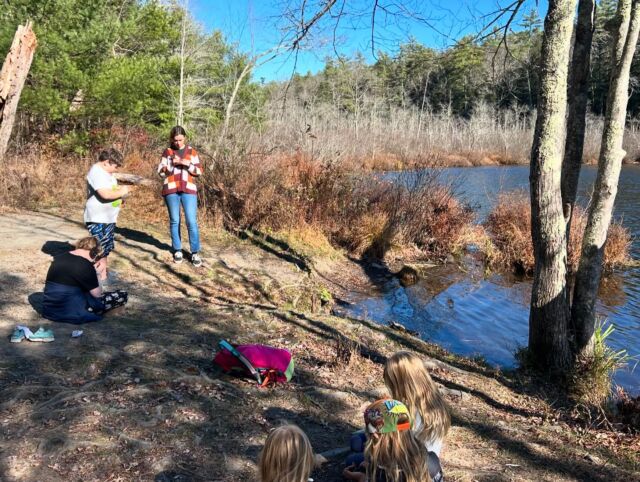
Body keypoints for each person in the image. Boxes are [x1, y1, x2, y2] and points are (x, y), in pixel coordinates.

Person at [343, 399, 444, 482]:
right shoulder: (431, 460)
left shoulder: (381, 476)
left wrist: (362, 478)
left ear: (375, 435)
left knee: (353, 450)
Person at [42, 236, 128, 324]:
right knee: (122, 295)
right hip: (71, 312)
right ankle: (101, 312)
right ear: (93, 252)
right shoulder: (85, 265)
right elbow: (97, 294)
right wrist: (97, 273)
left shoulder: (60, 257)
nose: (95, 259)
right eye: (97, 256)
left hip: (50, 311)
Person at [383, 352, 451, 455]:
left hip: (412, 466)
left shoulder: (413, 414)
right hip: (428, 462)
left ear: (403, 384)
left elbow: (399, 450)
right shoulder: (433, 404)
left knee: (356, 451)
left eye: (393, 385)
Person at [157, 125, 203, 267]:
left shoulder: (191, 151)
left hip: (188, 189)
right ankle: (177, 250)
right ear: (172, 139)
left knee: (191, 221)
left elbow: (199, 171)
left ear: (185, 138)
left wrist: (186, 163)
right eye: (175, 140)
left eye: (180, 140)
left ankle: (195, 252)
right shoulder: (167, 152)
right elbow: (161, 172)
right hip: (171, 189)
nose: (178, 143)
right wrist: (170, 165)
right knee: (175, 220)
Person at [84, 147, 132, 282]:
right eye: (115, 166)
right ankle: (92, 277)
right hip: (98, 218)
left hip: (108, 218)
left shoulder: (105, 173)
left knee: (105, 248)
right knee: (98, 248)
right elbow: (105, 194)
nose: (116, 170)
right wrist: (123, 191)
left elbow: (111, 191)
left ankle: (103, 273)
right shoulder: (97, 173)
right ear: (106, 162)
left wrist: (119, 199)